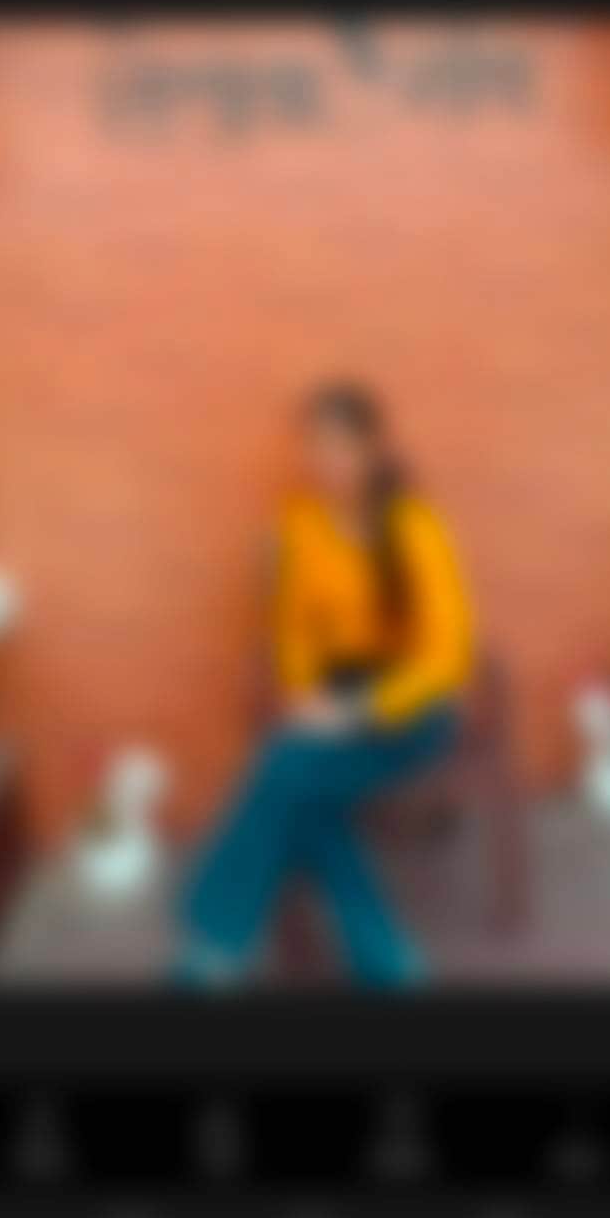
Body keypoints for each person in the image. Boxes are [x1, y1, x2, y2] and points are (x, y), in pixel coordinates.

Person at [175, 382, 475, 986]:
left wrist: (358, 710)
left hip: (410, 704)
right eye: (314, 447)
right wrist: (305, 692)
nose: (325, 462)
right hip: (334, 694)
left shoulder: (415, 525)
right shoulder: (299, 524)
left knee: (283, 771)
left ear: (372, 448)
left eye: (340, 447)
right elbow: (292, 632)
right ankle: (388, 962)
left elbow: (448, 654)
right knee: (305, 799)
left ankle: (213, 941)